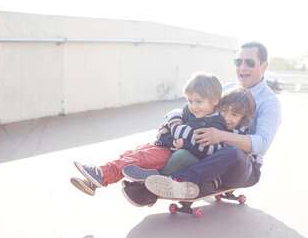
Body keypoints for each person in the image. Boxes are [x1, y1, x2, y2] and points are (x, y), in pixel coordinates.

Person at [123, 41, 281, 204]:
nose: (242, 67)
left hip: (243, 165)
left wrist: (221, 136)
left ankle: (174, 180)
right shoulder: (226, 89)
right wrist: (169, 125)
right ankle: (147, 189)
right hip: (207, 153)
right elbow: (196, 107)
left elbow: (262, 144)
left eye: (249, 62)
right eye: (238, 61)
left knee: (232, 152)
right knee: (183, 140)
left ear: (264, 65)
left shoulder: (270, 103)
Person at [70, 72, 226, 196]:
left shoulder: (215, 124)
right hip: (163, 144)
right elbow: (176, 116)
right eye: (190, 101)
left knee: (138, 159)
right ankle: (95, 181)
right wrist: (165, 127)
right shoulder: (191, 110)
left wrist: (176, 129)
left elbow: (198, 143)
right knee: (130, 154)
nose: (193, 106)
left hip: (170, 153)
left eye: (198, 102)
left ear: (215, 100)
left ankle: (102, 174)